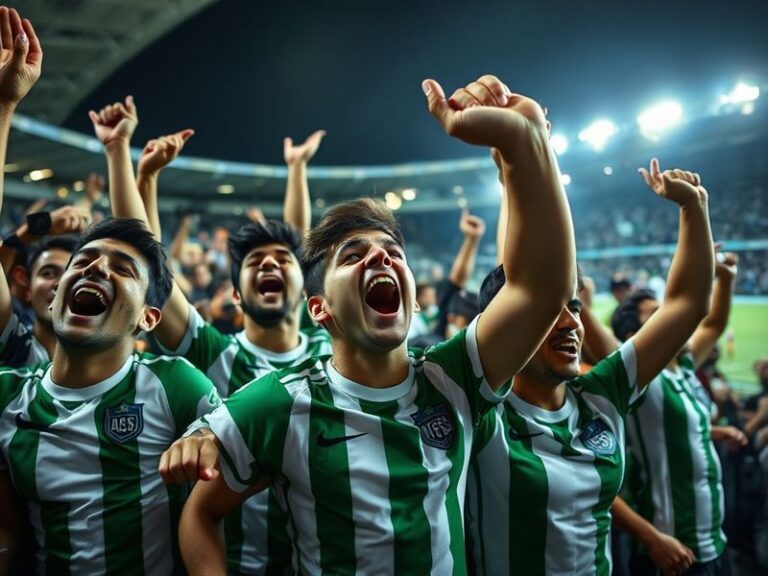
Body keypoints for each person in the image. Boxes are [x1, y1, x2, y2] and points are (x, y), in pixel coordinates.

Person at [160, 73, 576, 575]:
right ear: (320, 309)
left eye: (393, 253)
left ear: (413, 301)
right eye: (353, 255)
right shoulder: (282, 401)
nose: (381, 260)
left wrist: (526, 142)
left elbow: (540, 288)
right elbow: (201, 512)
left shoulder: (455, 378)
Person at [0, 14, 221, 573]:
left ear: (150, 318)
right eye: (85, 259)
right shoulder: (7, 398)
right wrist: (2, 108)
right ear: (47, 300)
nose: (95, 268)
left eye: (121, 267)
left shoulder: (177, 388)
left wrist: (218, 440)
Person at [88, 98, 333, 573]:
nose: (269, 264)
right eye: (253, 263)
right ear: (235, 296)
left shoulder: (331, 355)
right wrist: (125, 159)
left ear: (307, 288)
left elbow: (303, 246)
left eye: (282, 261)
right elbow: (145, 264)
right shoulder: (212, 354)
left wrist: (298, 170)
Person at [466, 157, 716, 575]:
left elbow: (688, 304)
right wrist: (517, 164)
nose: (570, 323)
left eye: (575, 307)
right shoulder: (479, 410)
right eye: (549, 312)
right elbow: (517, 273)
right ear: (510, 325)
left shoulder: (602, 393)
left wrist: (694, 208)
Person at [611, 247, 745, 574]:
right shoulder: (640, 378)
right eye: (657, 312)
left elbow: (712, 325)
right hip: (675, 550)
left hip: (713, 541)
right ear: (634, 336)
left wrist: (725, 279)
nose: (672, 315)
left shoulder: (682, 366)